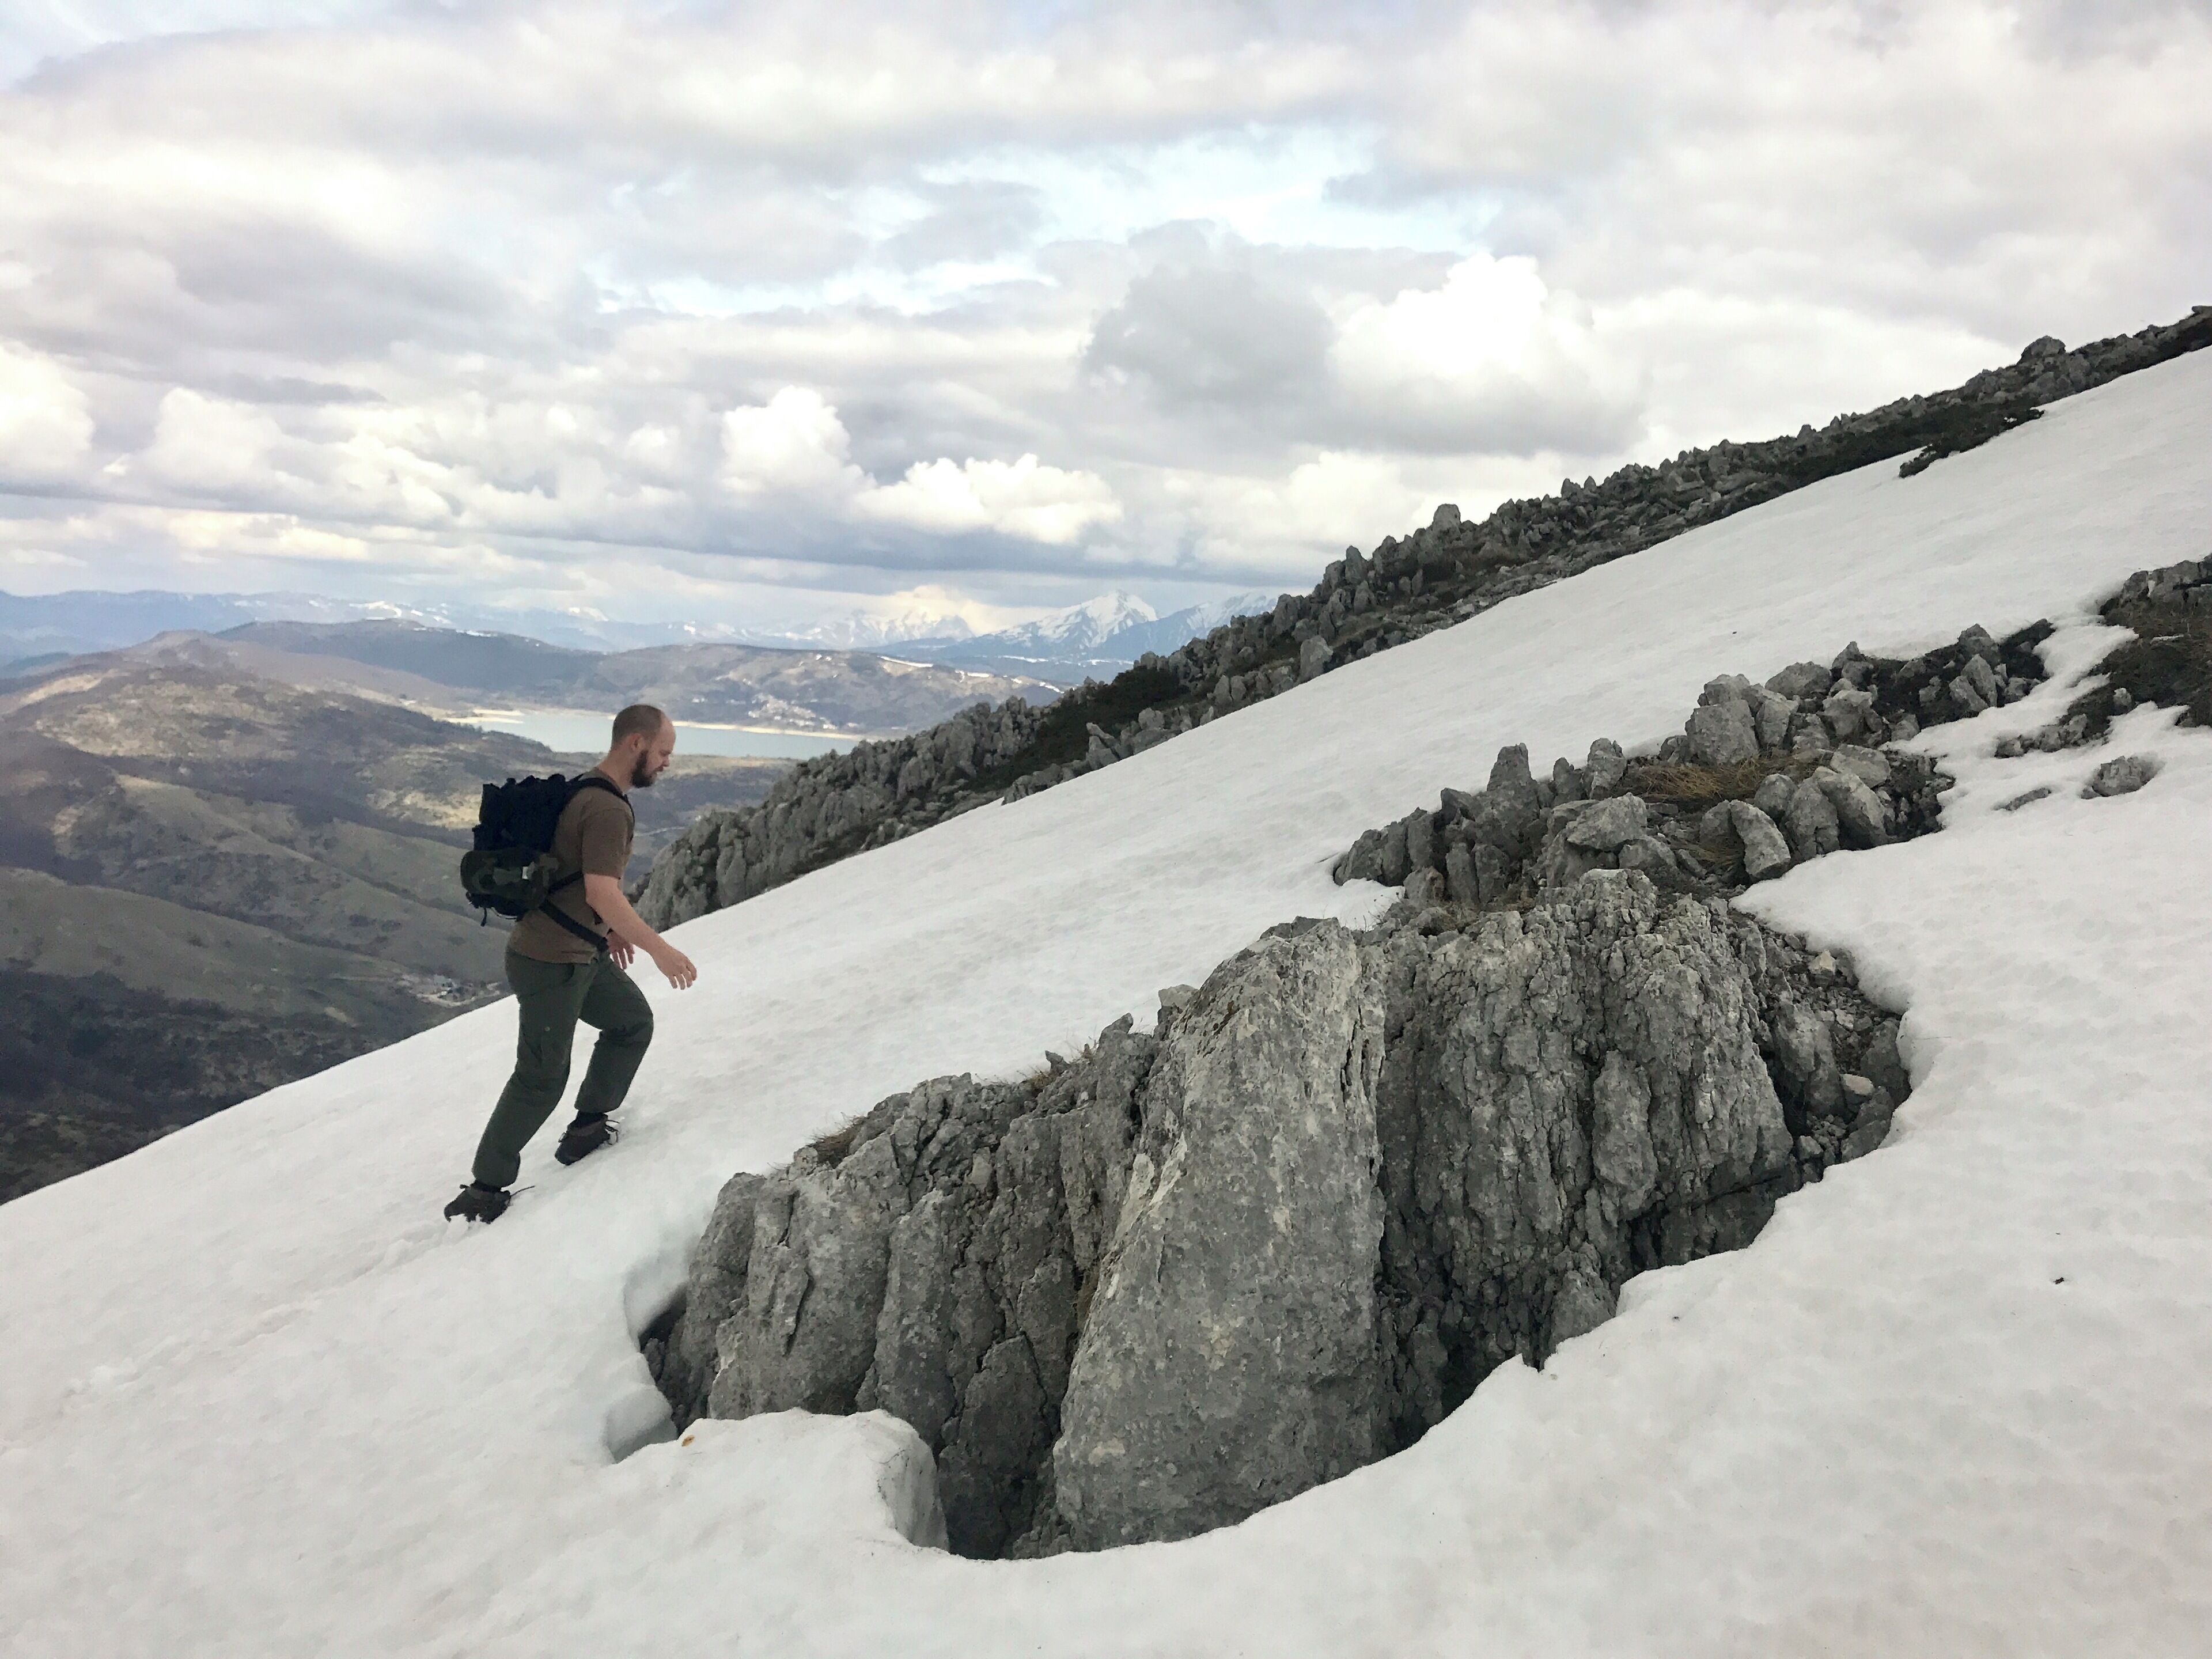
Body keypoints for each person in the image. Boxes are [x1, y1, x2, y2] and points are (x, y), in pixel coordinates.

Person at [442, 704, 699, 1223]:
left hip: (581, 951)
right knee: (541, 1078)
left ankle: (585, 1129)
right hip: (549, 961)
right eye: (664, 751)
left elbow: (578, 880)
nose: (668, 762)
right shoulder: (607, 809)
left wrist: (606, 936)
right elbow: (602, 892)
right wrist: (659, 948)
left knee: (630, 1022)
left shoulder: (590, 790)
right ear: (636, 744)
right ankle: (483, 1190)